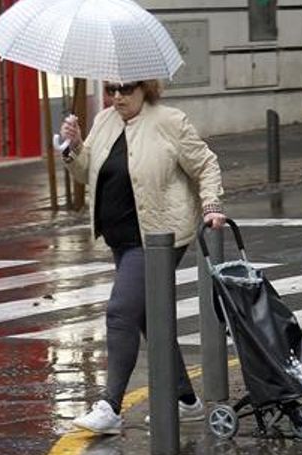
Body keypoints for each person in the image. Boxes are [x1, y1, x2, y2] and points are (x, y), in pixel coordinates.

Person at [60, 79, 227, 435]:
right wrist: (74, 148)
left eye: (126, 88)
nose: (117, 96)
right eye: (111, 89)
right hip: (121, 239)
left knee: (121, 311)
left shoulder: (170, 121)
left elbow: (206, 165)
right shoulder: (105, 120)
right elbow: (88, 172)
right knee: (149, 318)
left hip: (158, 238)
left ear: (146, 89)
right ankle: (186, 400)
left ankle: (110, 406)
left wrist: (211, 205)